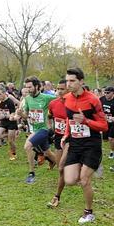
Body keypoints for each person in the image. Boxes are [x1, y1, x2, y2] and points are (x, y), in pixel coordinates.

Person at [57, 69, 108, 223]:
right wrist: (66, 134)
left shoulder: (93, 100)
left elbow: (104, 126)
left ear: (81, 81)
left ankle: (89, 213)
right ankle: (91, 165)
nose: (68, 84)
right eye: (67, 81)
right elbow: (69, 119)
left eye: (72, 81)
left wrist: (86, 121)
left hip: (91, 143)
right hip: (75, 143)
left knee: (84, 180)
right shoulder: (66, 99)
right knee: (71, 180)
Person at [18, 76, 57, 184]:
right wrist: (22, 114)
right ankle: (60, 165)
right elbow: (27, 116)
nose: (28, 90)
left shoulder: (46, 97)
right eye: (26, 87)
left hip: (44, 129)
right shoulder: (27, 99)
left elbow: (60, 100)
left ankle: (31, 173)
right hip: (34, 130)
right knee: (48, 153)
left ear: (37, 86)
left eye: (30, 87)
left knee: (27, 146)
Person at [47, 80, 69, 208]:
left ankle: (57, 196)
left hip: (72, 138)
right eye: (58, 88)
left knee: (62, 166)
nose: (59, 91)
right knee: (61, 169)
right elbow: (49, 116)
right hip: (59, 137)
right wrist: (51, 128)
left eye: (62, 89)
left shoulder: (72, 103)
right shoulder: (53, 103)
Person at [0, 85, 19, 161]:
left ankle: (13, 153)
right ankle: (12, 134)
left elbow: (12, 114)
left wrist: (7, 116)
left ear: (4, 93)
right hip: (3, 122)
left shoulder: (10, 102)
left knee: (11, 141)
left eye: (0, 94)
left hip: (11, 122)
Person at [100, 87, 114, 159]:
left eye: (108, 93)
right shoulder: (101, 99)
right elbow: (98, 109)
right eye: (105, 92)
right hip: (105, 121)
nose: (106, 94)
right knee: (105, 139)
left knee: (110, 138)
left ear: (113, 93)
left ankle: (112, 152)